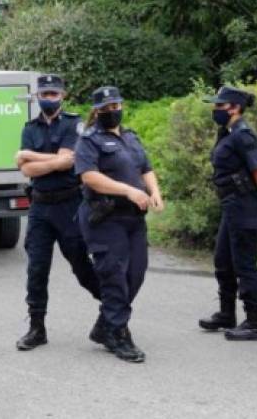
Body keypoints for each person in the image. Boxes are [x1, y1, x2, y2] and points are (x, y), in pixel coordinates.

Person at [74, 86, 163, 363]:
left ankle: (104, 325)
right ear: (97, 111)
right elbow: (88, 176)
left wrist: (155, 193)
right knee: (113, 276)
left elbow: (145, 168)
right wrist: (127, 191)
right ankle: (117, 333)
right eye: (107, 108)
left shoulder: (130, 137)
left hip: (134, 219)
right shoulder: (89, 140)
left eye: (117, 106)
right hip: (105, 219)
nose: (114, 112)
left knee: (134, 274)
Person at [14, 74, 101, 351]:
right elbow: (26, 170)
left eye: (53, 94)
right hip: (39, 207)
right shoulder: (30, 127)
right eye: (44, 94)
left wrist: (31, 157)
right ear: (37, 95)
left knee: (81, 265)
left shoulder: (72, 124)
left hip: (69, 206)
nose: (48, 98)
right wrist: (53, 160)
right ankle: (36, 328)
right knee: (36, 269)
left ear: (63, 95)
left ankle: (114, 310)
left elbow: (68, 162)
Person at [198, 86, 257, 341]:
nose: (215, 109)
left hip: (244, 205)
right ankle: (226, 313)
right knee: (223, 261)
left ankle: (255, 323)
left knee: (244, 265)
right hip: (231, 206)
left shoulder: (243, 135)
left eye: (219, 105)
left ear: (234, 107)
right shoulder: (227, 132)